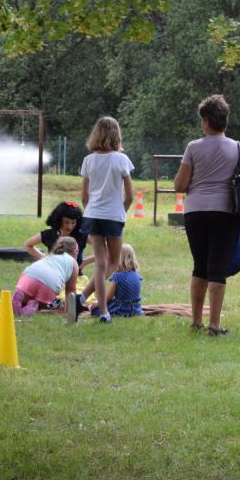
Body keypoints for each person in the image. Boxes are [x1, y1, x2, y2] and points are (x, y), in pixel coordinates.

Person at [174, 94, 240, 336]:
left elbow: (180, 184)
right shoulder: (237, 148)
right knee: (217, 268)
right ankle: (214, 324)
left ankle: (196, 321)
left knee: (199, 266)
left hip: (195, 212)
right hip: (224, 212)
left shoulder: (193, 147)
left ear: (206, 121)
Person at [78, 117, 135, 324]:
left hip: (92, 215)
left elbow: (84, 196)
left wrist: (91, 210)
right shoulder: (121, 160)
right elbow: (130, 196)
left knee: (100, 264)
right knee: (113, 261)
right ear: (116, 136)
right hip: (113, 216)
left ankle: (102, 311)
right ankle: (84, 298)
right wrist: (121, 211)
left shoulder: (88, 160)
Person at [12, 236, 80, 317]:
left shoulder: (49, 256)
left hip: (29, 276)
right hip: (50, 284)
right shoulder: (73, 263)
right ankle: (33, 306)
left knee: (24, 298)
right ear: (76, 251)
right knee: (44, 305)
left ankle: (19, 301)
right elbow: (70, 290)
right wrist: (68, 310)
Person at [23, 200, 89, 267]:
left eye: (73, 223)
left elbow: (97, 246)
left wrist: (87, 261)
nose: (70, 227)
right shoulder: (49, 234)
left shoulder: (81, 235)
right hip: (54, 272)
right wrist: (45, 258)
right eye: (66, 222)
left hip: (76, 273)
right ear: (59, 220)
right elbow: (27, 245)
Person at [105, 243, 144, 317]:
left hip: (121, 309)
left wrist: (98, 303)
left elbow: (108, 298)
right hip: (136, 308)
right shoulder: (136, 275)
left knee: (98, 309)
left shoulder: (117, 276)